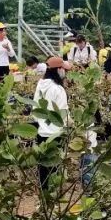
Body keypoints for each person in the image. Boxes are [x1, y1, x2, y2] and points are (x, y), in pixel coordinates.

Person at [32, 56, 72, 189]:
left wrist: (41, 123)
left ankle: (44, 197)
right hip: (55, 134)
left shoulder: (40, 85)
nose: (64, 72)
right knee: (54, 169)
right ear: (58, 70)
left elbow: (35, 108)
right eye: (63, 69)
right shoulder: (58, 89)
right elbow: (62, 113)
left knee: (43, 168)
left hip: (41, 132)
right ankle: (53, 199)